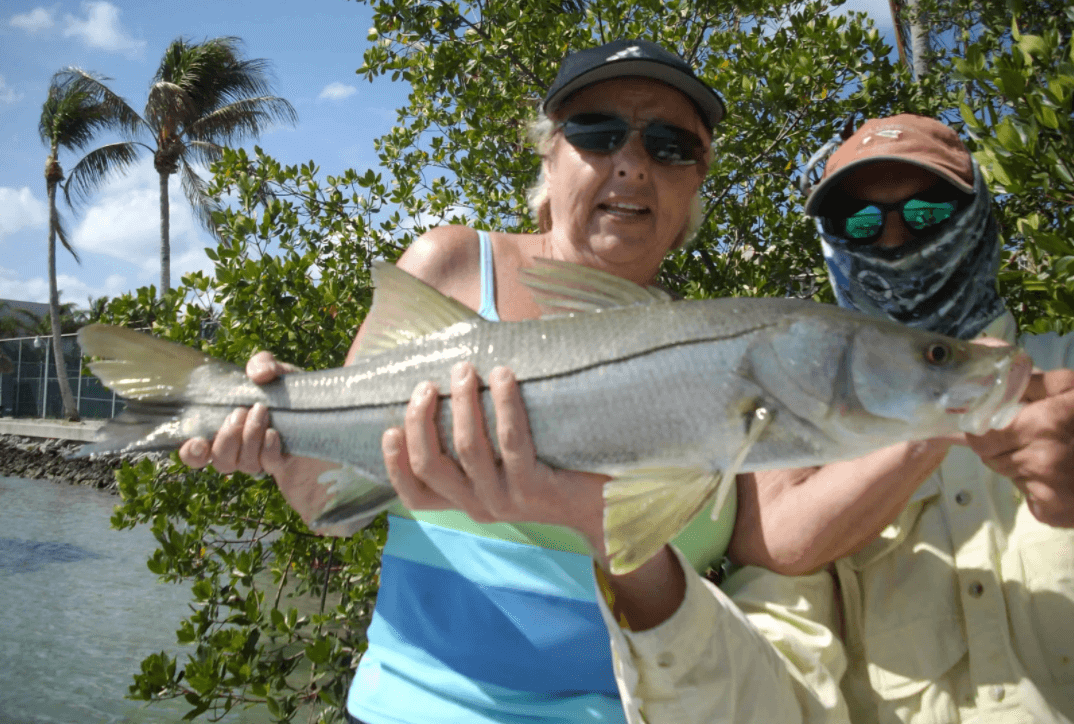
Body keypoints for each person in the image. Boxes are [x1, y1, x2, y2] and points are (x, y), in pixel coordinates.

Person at [178, 39, 732, 724]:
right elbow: (329, 501)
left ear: (698, 178)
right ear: (549, 155)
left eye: (672, 145)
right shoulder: (456, 266)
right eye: (597, 132)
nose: (632, 163)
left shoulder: (734, 357)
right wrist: (279, 434)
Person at [597, 113, 1074, 723]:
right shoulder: (789, 426)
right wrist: (933, 418)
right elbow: (778, 624)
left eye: (927, 213)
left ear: (978, 220)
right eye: (861, 222)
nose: (895, 241)